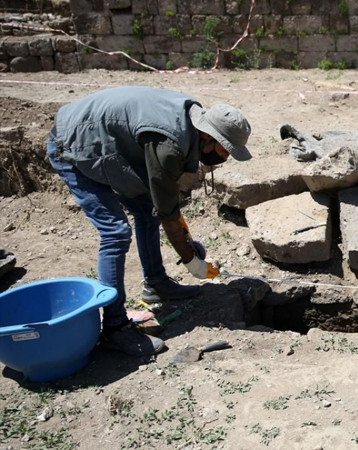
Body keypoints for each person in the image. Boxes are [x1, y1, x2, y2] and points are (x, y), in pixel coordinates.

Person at [47, 86, 252, 356]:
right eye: (225, 151)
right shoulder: (169, 145)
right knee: (115, 232)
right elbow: (167, 214)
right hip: (74, 145)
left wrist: (187, 243)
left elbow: (162, 202)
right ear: (208, 136)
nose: (224, 159)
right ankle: (114, 328)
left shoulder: (188, 123)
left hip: (106, 139)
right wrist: (192, 262)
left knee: (144, 209)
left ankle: (156, 284)